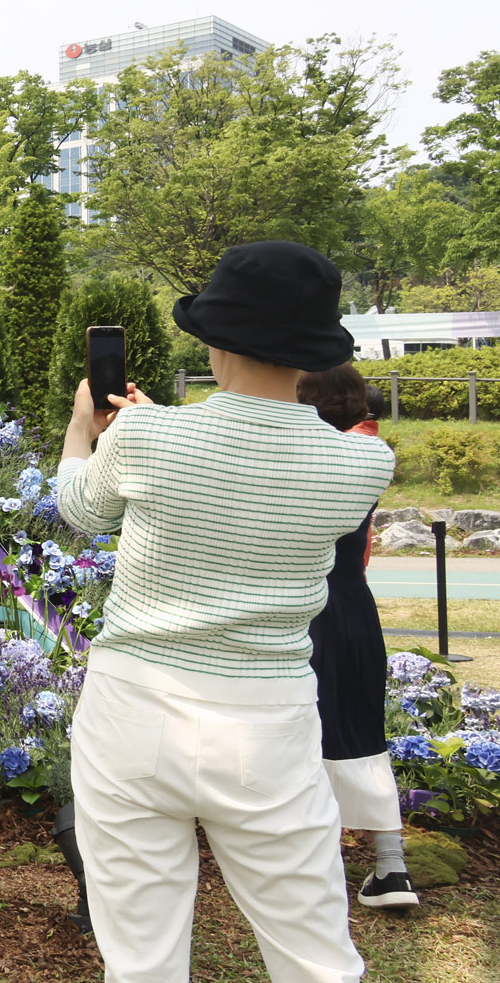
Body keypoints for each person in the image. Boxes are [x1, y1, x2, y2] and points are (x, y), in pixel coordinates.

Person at [56, 242, 394, 982]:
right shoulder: (365, 461)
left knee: (141, 956)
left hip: (134, 705)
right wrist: (155, 434)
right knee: (316, 956)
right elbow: (250, 479)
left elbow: (82, 508)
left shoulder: (148, 434)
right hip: (268, 719)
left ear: (215, 339)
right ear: (312, 350)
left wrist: (87, 431)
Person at [296, 363, 417, 909]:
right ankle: (391, 867)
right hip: (354, 604)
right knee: (361, 728)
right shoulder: (367, 453)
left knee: (298, 731)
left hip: (301, 602)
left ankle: (308, 867)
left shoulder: (300, 456)